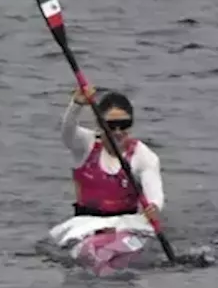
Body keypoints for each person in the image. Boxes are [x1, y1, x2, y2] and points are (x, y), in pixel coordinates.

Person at [61, 85, 164, 223]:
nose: (117, 132)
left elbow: (154, 190)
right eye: (111, 125)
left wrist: (154, 206)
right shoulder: (85, 145)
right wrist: (76, 105)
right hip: (85, 224)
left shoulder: (143, 156)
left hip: (125, 225)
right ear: (99, 124)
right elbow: (67, 133)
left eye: (124, 124)